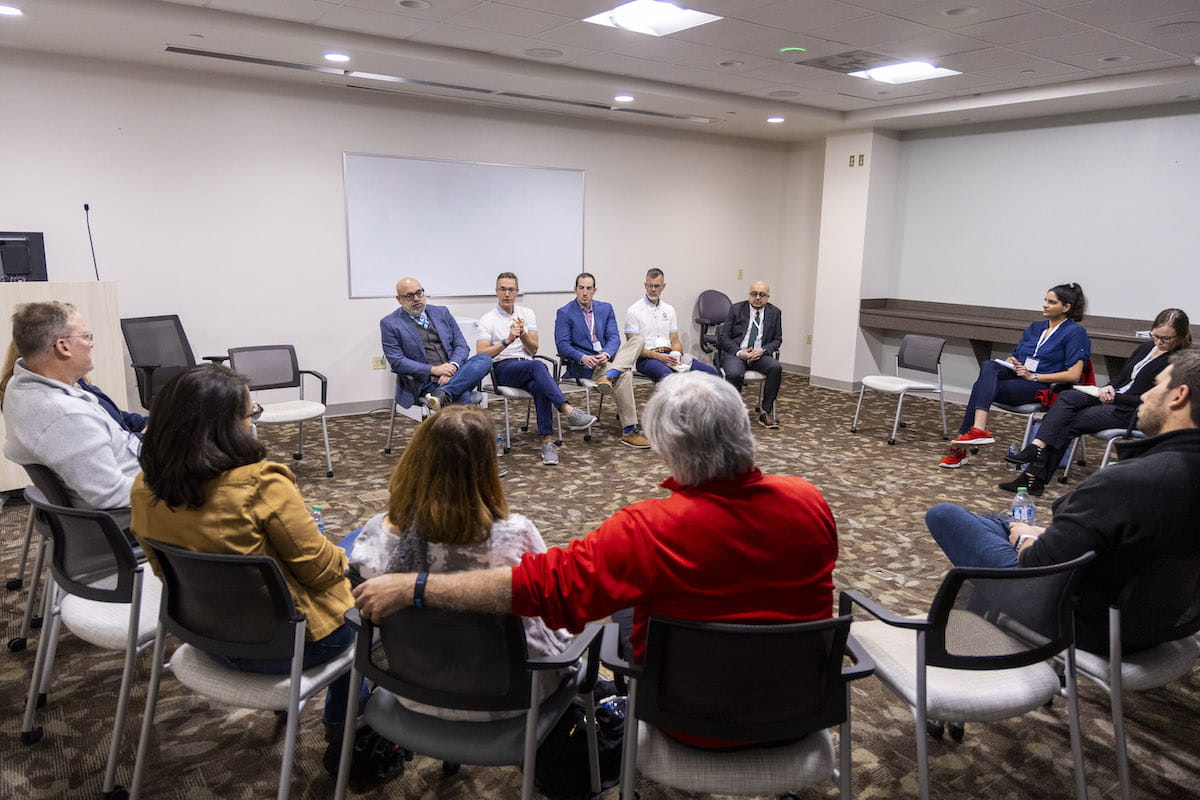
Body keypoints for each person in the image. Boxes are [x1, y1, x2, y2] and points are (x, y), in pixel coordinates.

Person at [353, 372, 838, 746]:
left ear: (667, 451)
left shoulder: (645, 529)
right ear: (743, 430)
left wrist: (415, 587)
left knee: (627, 605)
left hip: (687, 720)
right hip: (801, 709)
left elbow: (538, 589)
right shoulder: (810, 501)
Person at [129, 365, 360, 741]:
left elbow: (164, 570)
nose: (253, 422)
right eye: (251, 414)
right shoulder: (260, 483)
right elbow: (321, 573)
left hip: (204, 637)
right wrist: (342, 557)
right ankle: (345, 727)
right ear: (225, 426)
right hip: (294, 645)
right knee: (365, 548)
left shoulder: (143, 487)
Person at [925, 350, 1200, 654]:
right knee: (1002, 523)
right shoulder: (1167, 476)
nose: (1144, 395)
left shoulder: (1128, 482)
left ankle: (979, 641)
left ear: (1179, 396)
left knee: (946, 515)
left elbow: (1035, 564)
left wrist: (1026, 542)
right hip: (1162, 620)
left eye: (1156, 385)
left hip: (1082, 623)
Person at [348, 404, 574, 719]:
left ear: (415, 459)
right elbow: (552, 608)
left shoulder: (375, 535)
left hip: (412, 689)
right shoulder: (514, 535)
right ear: (486, 468)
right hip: (510, 699)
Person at [999, 308, 1191, 495]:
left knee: (1067, 421)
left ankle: (1033, 474)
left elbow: (1154, 400)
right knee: (1068, 397)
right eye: (1155, 335)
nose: (1159, 341)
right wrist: (1109, 386)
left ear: (1180, 337)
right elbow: (1122, 377)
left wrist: (1117, 396)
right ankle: (1037, 449)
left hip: (1131, 411)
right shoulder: (1148, 347)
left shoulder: (1178, 361)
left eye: (1166, 338)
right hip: (1112, 397)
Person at [3, 302, 142, 518]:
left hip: (138, 475)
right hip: (133, 519)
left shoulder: (22, 384)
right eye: (85, 336)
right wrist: (177, 485)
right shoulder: (65, 415)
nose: (91, 343)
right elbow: (111, 495)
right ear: (63, 346)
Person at [940, 282, 1091, 468]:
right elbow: (1020, 355)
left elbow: (1074, 375)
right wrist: (1012, 360)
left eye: (1052, 302)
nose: (1045, 305)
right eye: (1045, 300)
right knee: (989, 365)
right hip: (1018, 376)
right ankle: (978, 429)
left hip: (1040, 386)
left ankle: (962, 446)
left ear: (1066, 307)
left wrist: (1034, 377)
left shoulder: (1075, 333)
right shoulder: (1035, 328)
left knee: (981, 386)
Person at [476, 272, 597, 467]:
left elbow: (533, 349)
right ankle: (568, 410)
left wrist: (522, 334)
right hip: (502, 369)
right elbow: (482, 353)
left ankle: (548, 442)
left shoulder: (527, 313)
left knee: (539, 384)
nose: (507, 294)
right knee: (538, 366)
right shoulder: (488, 319)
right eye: (503, 289)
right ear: (496, 291)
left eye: (511, 290)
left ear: (517, 292)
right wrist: (507, 339)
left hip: (527, 366)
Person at [554, 272, 650, 449]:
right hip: (585, 366)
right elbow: (562, 345)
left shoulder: (606, 308)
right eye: (581, 288)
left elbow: (614, 338)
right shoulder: (565, 313)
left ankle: (611, 375)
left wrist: (606, 354)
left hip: (606, 361)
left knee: (638, 340)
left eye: (588, 288)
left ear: (594, 290)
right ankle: (629, 431)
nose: (584, 292)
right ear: (575, 289)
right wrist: (582, 357)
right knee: (626, 374)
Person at [380, 277, 493, 413]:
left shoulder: (442, 312)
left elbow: (462, 346)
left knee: (484, 359)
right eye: (409, 296)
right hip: (425, 382)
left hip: (454, 374)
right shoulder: (390, 323)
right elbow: (397, 362)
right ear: (399, 299)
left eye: (419, 293)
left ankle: (444, 392)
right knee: (462, 395)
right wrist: (434, 370)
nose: (416, 298)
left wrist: (452, 367)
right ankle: (485, 434)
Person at [624, 268, 719, 382]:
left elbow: (675, 341)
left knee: (711, 373)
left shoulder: (669, 310)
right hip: (647, 359)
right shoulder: (634, 310)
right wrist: (660, 357)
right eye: (650, 286)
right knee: (669, 377)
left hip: (670, 355)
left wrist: (677, 354)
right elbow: (634, 348)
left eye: (657, 286)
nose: (653, 290)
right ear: (645, 285)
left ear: (663, 286)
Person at [718, 280, 784, 429]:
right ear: (749, 294)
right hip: (736, 353)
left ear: (768, 297)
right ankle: (733, 413)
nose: (758, 298)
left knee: (775, 368)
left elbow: (777, 339)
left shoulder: (775, 312)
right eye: (754, 294)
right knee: (734, 373)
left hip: (759, 354)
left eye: (762, 295)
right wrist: (740, 352)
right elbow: (724, 338)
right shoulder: (736, 309)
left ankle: (765, 412)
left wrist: (763, 350)